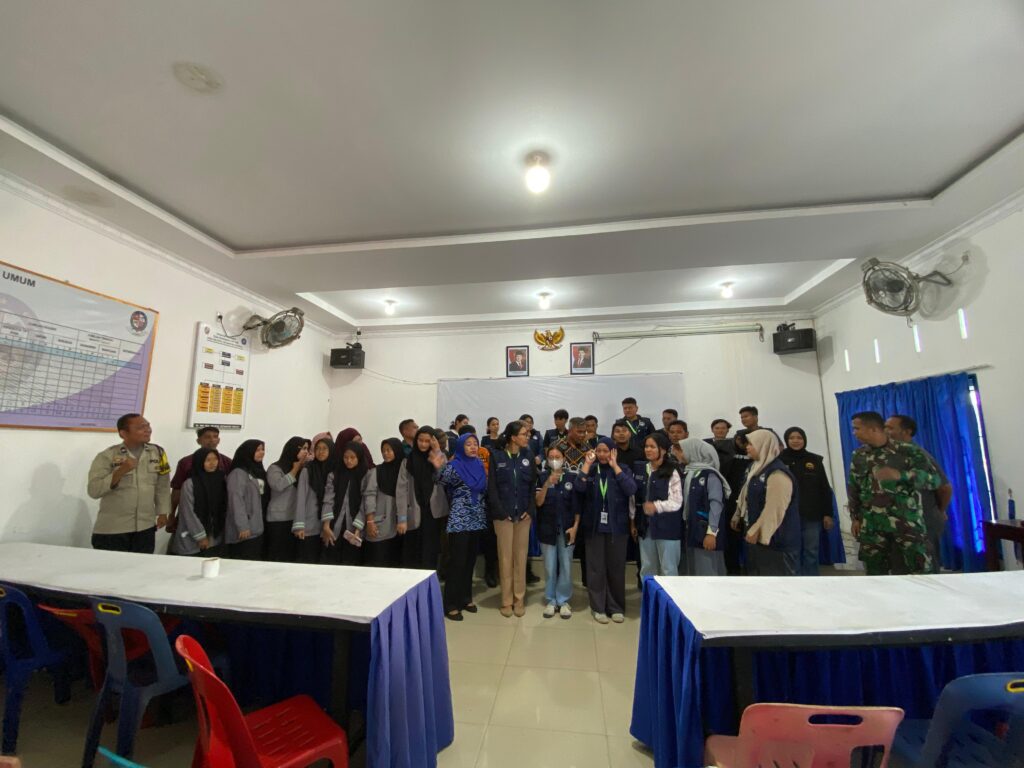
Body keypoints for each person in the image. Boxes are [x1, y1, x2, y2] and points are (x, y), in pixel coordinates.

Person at [848, 411, 941, 575]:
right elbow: (854, 487)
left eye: (857, 428)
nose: (854, 433)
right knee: (875, 574)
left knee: (919, 570)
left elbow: (934, 480)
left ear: (873, 429)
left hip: (906, 523)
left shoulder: (907, 451)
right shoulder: (859, 455)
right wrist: (855, 517)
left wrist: (901, 475)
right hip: (872, 525)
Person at [87, 413, 171, 553]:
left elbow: (163, 485)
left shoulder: (158, 452)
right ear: (123, 433)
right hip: (113, 529)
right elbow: (93, 490)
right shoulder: (107, 456)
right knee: (111, 566)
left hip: (145, 527)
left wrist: (163, 512)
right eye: (141, 427)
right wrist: (120, 471)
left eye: (148, 425)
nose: (147, 430)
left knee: (141, 566)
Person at [577, 438, 637, 623]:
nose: (602, 455)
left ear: (613, 452)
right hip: (594, 527)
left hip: (617, 527)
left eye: (606, 451)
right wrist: (587, 464)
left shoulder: (623, 469)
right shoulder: (591, 469)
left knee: (616, 568)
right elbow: (579, 488)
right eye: (599, 451)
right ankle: (598, 607)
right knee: (596, 568)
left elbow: (631, 489)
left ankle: (616, 607)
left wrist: (615, 466)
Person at [884, 415, 953, 573]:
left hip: (922, 521)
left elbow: (945, 488)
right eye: (885, 427)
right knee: (900, 569)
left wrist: (939, 511)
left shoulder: (918, 456)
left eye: (890, 428)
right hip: (899, 524)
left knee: (925, 569)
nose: (886, 431)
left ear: (907, 432)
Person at [434, 433, 488, 620]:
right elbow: (440, 480)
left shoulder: (479, 464)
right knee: (457, 562)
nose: (473, 447)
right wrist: (439, 466)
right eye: (468, 444)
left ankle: (466, 598)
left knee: (470, 561)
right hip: (460, 519)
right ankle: (450, 603)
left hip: (477, 517)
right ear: (460, 447)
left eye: (475, 444)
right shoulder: (454, 466)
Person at [732, 430, 800, 576]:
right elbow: (745, 494)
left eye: (751, 444)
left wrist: (756, 529)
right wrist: (738, 514)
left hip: (776, 542)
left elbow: (774, 508)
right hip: (757, 540)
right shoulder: (755, 468)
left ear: (763, 445)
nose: (747, 447)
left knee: (775, 582)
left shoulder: (777, 473)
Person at [488, 421, 538, 617]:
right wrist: (501, 512)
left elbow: (533, 486)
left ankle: (519, 599)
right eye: (524, 434)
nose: (527, 437)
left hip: (523, 516)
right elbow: (492, 488)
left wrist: (530, 509)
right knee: (505, 559)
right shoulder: (496, 456)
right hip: (503, 517)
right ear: (513, 437)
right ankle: (506, 601)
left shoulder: (528, 456)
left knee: (520, 558)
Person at [779, 427, 834, 576]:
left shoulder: (815, 460)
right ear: (786, 440)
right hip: (788, 516)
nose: (796, 441)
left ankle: (812, 581)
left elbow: (824, 488)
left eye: (799, 438)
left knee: (811, 551)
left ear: (804, 439)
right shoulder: (780, 460)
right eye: (792, 438)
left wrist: (828, 514)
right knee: (791, 552)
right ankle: (794, 581)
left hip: (812, 515)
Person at [535, 445, 581, 618]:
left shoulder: (571, 477)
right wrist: (547, 484)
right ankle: (551, 599)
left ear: (564, 458)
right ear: (547, 460)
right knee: (549, 565)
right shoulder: (541, 477)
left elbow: (577, 506)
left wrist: (575, 526)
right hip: (547, 527)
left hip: (567, 528)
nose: (554, 460)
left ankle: (563, 600)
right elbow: (538, 502)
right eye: (551, 457)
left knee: (566, 565)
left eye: (557, 457)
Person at [396, 426, 450, 569]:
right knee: (412, 552)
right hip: (413, 511)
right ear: (416, 440)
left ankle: (429, 580)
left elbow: (446, 480)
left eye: (427, 441)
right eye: (421, 440)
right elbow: (401, 491)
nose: (424, 444)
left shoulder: (439, 457)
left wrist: (437, 453)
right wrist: (402, 518)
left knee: (430, 551)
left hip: (433, 513)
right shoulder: (408, 461)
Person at [632, 433, 683, 578]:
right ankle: (649, 593)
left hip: (667, 528)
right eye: (646, 446)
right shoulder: (641, 469)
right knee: (647, 568)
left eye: (652, 447)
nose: (648, 450)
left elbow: (676, 501)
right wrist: (633, 522)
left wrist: (656, 506)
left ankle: (668, 594)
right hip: (645, 527)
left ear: (663, 450)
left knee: (668, 569)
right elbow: (634, 498)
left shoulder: (672, 470)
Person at [678, 437, 730, 575]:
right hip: (691, 530)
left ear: (694, 452)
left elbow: (716, 504)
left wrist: (711, 533)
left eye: (682, 450)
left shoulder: (710, 475)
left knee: (707, 572)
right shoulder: (689, 473)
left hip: (705, 531)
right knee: (692, 571)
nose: (680, 454)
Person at [168, 426, 231, 534]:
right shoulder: (186, 462)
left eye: (215, 437)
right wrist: (171, 514)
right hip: (190, 510)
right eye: (207, 437)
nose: (212, 440)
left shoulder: (227, 462)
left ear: (219, 440)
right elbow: (177, 490)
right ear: (198, 441)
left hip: (218, 514)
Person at [353, 437, 405, 567]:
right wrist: (370, 521)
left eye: (389, 450)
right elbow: (369, 497)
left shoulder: (403, 473)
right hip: (380, 525)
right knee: (378, 562)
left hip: (400, 527)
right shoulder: (376, 472)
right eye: (383, 450)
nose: (385, 453)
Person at [170, 447, 227, 557]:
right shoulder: (190, 483)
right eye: (208, 460)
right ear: (200, 461)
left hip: (215, 539)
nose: (212, 463)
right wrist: (200, 536)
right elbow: (188, 513)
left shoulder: (221, 479)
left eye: (215, 459)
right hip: (192, 539)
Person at [461, 424, 498, 587]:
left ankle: (490, 573)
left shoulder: (484, 452)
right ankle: (465, 577)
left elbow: (491, 473)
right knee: (468, 544)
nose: (472, 445)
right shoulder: (456, 458)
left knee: (490, 539)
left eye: (474, 440)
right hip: (466, 506)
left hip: (486, 500)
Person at [265, 436, 310, 562]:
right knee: (278, 556)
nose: (306, 452)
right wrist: (295, 468)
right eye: (303, 448)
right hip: (278, 520)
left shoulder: (304, 469)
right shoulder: (275, 468)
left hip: (295, 519)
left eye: (308, 449)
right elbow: (278, 485)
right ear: (293, 449)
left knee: (291, 557)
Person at [293, 435, 335, 564]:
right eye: (318, 448)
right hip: (309, 525)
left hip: (328, 526)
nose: (320, 452)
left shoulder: (335, 471)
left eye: (324, 448)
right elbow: (300, 498)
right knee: (308, 561)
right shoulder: (308, 470)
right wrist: (299, 525)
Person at [225, 439, 269, 560]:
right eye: (257, 450)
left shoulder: (258, 471)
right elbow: (236, 500)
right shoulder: (238, 473)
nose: (262, 452)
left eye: (262, 449)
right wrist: (243, 526)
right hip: (244, 531)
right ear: (248, 452)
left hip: (257, 528)